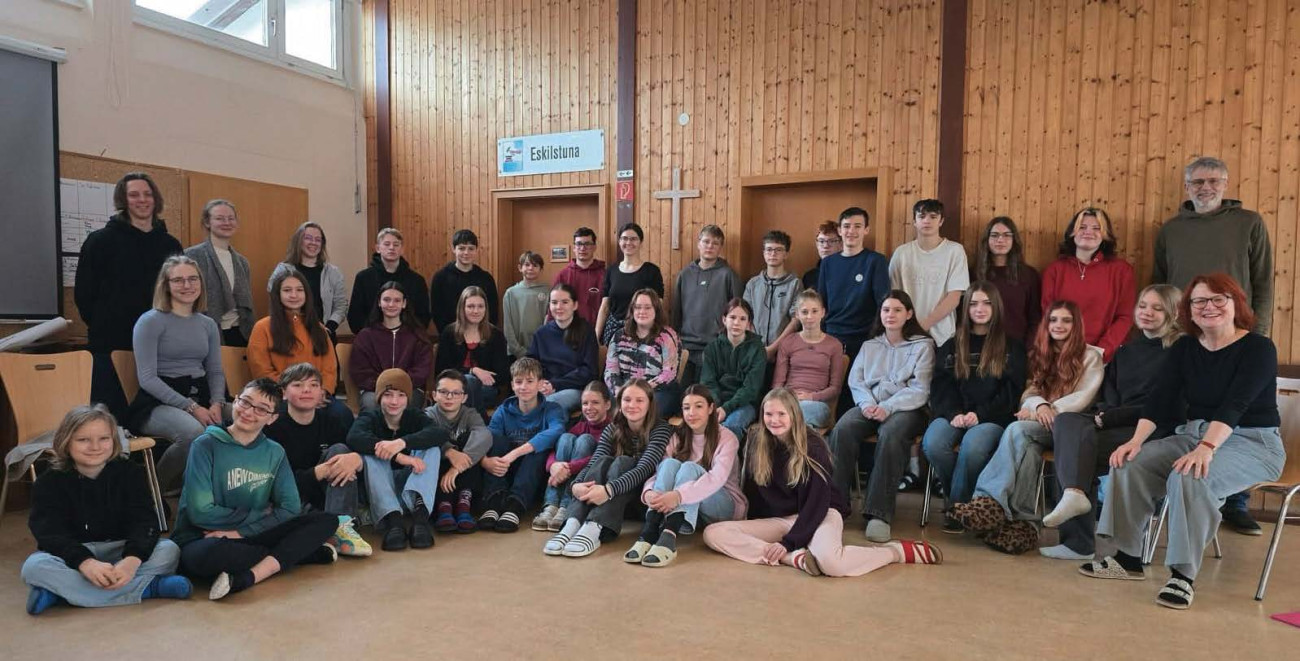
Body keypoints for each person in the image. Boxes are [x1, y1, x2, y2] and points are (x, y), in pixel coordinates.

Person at [1082, 273, 1283, 610]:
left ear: (1236, 304)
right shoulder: (1186, 347)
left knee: (1190, 474)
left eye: (1218, 299)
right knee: (1130, 462)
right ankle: (1127, 559)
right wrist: (1135, 441)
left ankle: (1182, 576)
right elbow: (1160, 399)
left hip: (1252, 442)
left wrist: (1206, 449)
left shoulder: (1258, 348)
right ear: (1188, 309)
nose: (1209, 307)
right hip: (1193, 434)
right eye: (1199, 301)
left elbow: (1237, 404)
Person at [1153, 156, 1275, 536]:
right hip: (1184, 338)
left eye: (1213, 181)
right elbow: (1160, 281)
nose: (1206, 188)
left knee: (1235, 406)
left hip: (1236, 335)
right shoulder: (1171, 230)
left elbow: (1263, 282)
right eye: (1198, 182)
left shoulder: (1249, 223)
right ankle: (1176, 493)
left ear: (1225, 184)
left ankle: (1234, 501)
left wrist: (1257, 334)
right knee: (1189, 410)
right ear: (1187, 187)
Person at [703, 389, 943, 577]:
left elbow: (817, 503)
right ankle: (792, 559)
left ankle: (894, 552)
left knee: (831, 564)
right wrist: (769, 537)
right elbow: (754, 492)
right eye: (769, 414)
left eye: (781, 414)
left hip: (820, 513)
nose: (774, 420)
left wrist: (788, 542)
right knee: (714, 533)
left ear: (794, 415)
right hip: (781, 521)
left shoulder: (813, 446)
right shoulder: (758, 442)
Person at [1037, 285, 1183, 560]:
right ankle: (1074, 496)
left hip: (1155, 431)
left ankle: (1077, 542)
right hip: (1116, 423)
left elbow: (1164, 404)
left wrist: (1108, 418)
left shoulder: (1180, 351)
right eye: (1143, 306)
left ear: (1173, 312)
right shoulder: (1127, 351)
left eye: (1157, 308)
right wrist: (1104, 415)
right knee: (1066, 423)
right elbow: (1110, 394)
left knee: (1078, 451)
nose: (1147, 312)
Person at [950, 300, 1105, 555]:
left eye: (1066, 320)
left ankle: (987, 501)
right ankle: (1023, 526)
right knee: (1027, 447)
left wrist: (1045, 410)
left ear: (1076, 325)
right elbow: (1029, 392)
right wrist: (1038, 405)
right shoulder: (1040, 353)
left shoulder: (1091, 356)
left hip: (1071, 430)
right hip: (1040, 427)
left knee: (1016, 430)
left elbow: (1083, 398)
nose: (1059, 325)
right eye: (1053, 320)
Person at [172, 378, 341, 601]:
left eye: (262, 409)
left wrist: (240, 533)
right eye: (245, 402)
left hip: (252, 534)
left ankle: (252, 575)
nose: (249, 412)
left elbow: (290, 508)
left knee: (327, 520)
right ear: (235, 401)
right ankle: (297, 553)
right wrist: (259, 515)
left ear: (272, 418)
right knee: (207, 556)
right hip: (204, 537)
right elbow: (200, 512)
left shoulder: (274, 451)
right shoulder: (205, 445)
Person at [22, 405, 191, 615]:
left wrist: (131, 561)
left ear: (114, 441)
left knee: (169, 550)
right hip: (75, 554)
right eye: (83, 440)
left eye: (104, 438)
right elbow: (49, 533)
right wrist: (85, 562)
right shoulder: (48, 482)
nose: (95, 447)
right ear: (66, 442)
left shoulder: (131, 473)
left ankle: (61, 593)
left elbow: (145, 522)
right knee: (33, 567)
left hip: (120, 549)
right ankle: (149, 588)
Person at [826, 290, 935, 542]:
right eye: (886, 310)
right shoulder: (870, 345)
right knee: (843, 429)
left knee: (890, 433)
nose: (890, 315)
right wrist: (867, 404)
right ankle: (834, 506)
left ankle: (879, 514)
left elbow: (921, 389)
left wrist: (889, 406)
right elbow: (856, 381)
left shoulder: (923, 346)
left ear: (909, 314)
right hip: (870, 405)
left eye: (897, 310)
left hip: (907, 409)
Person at [921, 283, 1028, 533]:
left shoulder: (1012, 347)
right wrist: (954, 413)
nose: (980, 309)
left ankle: (956, 510)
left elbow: (1011, 392)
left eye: (987, 303)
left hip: (992, 418)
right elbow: (941, 387)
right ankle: (965, 503)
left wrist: (980, 415)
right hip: (954, 415)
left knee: (972, 447)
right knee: (933, 443)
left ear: (996, 307)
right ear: (966, 309)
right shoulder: (951, 345)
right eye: (974, 304)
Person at [76, 172, 183, 417]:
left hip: (160, 347)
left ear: (155, 199)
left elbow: (177, 293)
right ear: (123, 200)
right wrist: (106, 323)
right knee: (110, 417)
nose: (142, 200)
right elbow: (84, 295)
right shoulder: (100, 241)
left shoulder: (170, 245)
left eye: (147, 194)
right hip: (111, 346)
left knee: (155, 416)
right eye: (134, 195)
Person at [128, 255, 228, 494]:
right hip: (158, 402)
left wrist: (217, 402)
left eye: (193, 279)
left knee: (252, 415)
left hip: (202, 395)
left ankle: (218, 488)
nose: (187, 285)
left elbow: (215, 370)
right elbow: (148, 378)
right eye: (178, 280)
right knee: (192, 432)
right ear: (166, 285)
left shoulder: (208, 324)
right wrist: (191, 408)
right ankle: (153, 489)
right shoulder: (150, 321)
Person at [543, 379, 673, 557]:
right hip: (607, 500)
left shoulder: (661, 429)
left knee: (623, 462)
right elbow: (594, 461)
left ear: (650, 403)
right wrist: (576, 485)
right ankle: (572, 523)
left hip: (641, 499)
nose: (632, 405)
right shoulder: (613, 428)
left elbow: (644, 469)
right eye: (627, 400)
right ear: (620, 403)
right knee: (603, 460)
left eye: (639, 400)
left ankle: (594, 528)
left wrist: (608, 490)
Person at [626, 385, 746, 567]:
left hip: (723, 505)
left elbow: (717, 479)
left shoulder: (727, 438)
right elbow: (660, 471)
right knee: (669, 463)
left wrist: (679, 495)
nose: (692, 413)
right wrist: (649, 492)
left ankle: (669, 536)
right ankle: (649, 531)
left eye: (699, 406)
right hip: (688, 510)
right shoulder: (678, 436)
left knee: (690, 468)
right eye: (686, 407)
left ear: (711, 408)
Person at [264, 363, 370, 557]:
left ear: (322, 393)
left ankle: (340, 525)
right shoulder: (273, 427)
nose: (307, 390)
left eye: (313, 385)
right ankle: (330, 525)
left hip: (327, 494)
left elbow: (353, 459)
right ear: (284, 393)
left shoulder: (331, 421)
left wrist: (356, 458)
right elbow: (275, 484)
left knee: (342, 451)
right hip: (291, 497)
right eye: (298, 385)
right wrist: (316, 473)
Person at [346, 368, 452, 552]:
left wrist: (401, 443)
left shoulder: (415, 416)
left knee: (432, 449)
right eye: (388, 395)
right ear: (379, 397)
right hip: (380, 493)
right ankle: (394, 522)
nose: (394, 401)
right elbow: (354, 438)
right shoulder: (370, 417)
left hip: (411, 488)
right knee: (373, 452)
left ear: (408, 398)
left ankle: (420, 520)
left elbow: (440, 433)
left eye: (401, 395)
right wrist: (398, 455)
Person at [248, 269, 352, 428]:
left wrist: (321, 391)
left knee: (342, 414)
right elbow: (261, 370)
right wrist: (293, 392)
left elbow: (330, 368)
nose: (294, 295)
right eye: (287, 290)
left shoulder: (318, 328)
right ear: (277, 295)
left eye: (299, 290)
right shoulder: (262, 328)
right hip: (280, 396)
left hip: (316, 395)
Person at [477, 358, 567, 532]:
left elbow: (556, 430)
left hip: (533, 475)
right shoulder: (503, 410)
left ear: (540, 384)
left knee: (538, 449)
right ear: (512, 385)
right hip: (504, 470)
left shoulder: (552, 409)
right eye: (518, 382)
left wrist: (515, 453)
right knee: (495, 438)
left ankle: (515, 506)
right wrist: (485, 461)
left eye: (530, 381)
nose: (523, 387)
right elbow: (486, 439)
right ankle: (494, 501)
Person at [1040, 207, 1136, 361]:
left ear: (1105, 234)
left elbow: (1125, 316)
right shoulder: (1054, 270)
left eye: (1096, 228)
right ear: (1072, 232)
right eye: (1082, 227)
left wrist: (1100, 350)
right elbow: (1048, 314)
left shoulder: (1122, 271)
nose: (1088, 232)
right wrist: (1066, 349)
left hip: (1106, 356)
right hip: (1062, 355)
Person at [889, 199, 969, 346]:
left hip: (943, 336)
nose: (927, 221)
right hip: (906, 333)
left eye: (933, 217)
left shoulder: (955, 251)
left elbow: (954, 297)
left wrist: (923, 326)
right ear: (914, 221)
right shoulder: (901, 253)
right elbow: (894, 296)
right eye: (921, 216)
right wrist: (908, 327)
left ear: (941, 221)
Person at [533, 381, 611, 531]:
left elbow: (599, 457)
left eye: (595, 403)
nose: (589, 408)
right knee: (565, 438)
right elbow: (555, 450)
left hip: (589, 479)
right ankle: (551, 506)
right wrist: (553, 466)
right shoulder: (580, 426)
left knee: (585, 439)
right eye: (585, 403)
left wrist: (568, 468)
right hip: (566, 471)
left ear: (607, 404)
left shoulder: (612, 429)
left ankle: (566, 507)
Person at [424, 370, 494, 533]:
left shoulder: (470, 414)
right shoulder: (428, 415)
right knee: (435, 443)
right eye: (444, 392)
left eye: (456, 393)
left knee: (470, 441)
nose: (449, 397)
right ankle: (444, 505)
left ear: (464, 397)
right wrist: (450, 452)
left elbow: (485, 435)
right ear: (434, 395)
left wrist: (457, 467)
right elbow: (425, 435)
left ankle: (464, 504)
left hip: (464, 478)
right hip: (438, 479)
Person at [818, 207, 891, 363]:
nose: (851, 231)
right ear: (839, 230)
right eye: (846, 226)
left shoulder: (876, 261)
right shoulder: (827, 263)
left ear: (866, 230)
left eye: (857, 226)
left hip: (866, 338)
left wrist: (876, 335)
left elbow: (883, 302)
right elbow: (822, 302)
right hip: (832, 335)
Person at [673, 224, 743, 385]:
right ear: (698, 244)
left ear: (720, 248)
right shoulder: (685, 274)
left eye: (715, 243)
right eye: (706, 241)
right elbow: (677, 312)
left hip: (715, 347)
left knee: (706, 394)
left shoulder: (728, 275)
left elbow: (737, 313)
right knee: (683, 393)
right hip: (686, 347)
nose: (710, 246)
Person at [349, 281, 435, 411]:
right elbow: (360, 371)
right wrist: (385, 387)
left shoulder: (418, 336)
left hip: (409, 389)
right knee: (371, 404)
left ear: (404, 303)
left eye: (397, 300)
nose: (391, 304)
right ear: (379, 302)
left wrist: (399, 385)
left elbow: (422, 369)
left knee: (407, 403)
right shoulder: (365, 336)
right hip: (374, 390)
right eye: (386, 300)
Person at [772, 290, 846, 429]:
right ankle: (800, 437)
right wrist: (789, 398)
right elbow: (778, 384)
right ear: (797, 314)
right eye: (804, 312)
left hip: (817, 404)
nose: (809, 316)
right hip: (788, 401)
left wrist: (811, 397)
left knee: (795, 414)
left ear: (823, 312)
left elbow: (835, 388)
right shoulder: (788, 342)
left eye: (814, 311)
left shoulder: (834, 345)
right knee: (774, 408)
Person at [603, 288, 684, 417]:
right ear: (632, 310)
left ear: (656, 310)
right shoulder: (618, 335)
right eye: (638, 307)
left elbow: (669, 373)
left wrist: (639, 391)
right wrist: (619, 391)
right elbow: (610, 370)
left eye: (647, 307)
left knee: (643, 411)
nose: (642, 312)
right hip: (624, 388)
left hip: (657, 390)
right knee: (603, 405)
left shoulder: (667, 336)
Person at [184, 199, 254, 347]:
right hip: (204, 332)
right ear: (207, 222)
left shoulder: (242, 262)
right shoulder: (192, 256)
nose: (226, 223)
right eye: (220, 218)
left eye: (231, 218)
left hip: (240, 332)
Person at [701, 298, 767, 443]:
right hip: (716, 401)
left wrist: (726, 408)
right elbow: (708, 383)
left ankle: (726, 457)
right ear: (724, 320)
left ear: (748, 323)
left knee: (731, 426)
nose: (737, 323)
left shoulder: (758, 350)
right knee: (700, 424)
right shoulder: (711, 349)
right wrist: (717, 405)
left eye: (742, 319)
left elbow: (751, 389)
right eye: (732, 317)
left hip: (745, 403)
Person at [435, 286, 509, 416]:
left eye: (480, 306)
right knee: (467, 382)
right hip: (452, 390)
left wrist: (478, 379)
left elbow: (503, 375)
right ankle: (478, 422)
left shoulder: (495, 335)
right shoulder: (449, 333)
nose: (476, 311)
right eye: (470, 306)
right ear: (462, 308)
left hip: (485, 390)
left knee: (471, 386)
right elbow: (441, 371)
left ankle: (462, 423)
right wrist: (473, 371)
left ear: (486, 309)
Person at [270, 221, 349, 342]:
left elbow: (341, 305)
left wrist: (328, 328)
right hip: (290, 336)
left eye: (318, 239)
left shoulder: (333, 272)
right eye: (308, 238)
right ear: (298, 241)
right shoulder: (283, 270)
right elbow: (275, 300)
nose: (313, 243)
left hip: (324, 336)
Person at [527, 283, 599, 414]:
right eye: (554, 302)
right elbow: (531, 365)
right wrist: (540, 383)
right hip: (544, 387)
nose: (559, 307)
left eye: (565, 302)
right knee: (515, 403)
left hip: (575, 388)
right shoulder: (541, 333)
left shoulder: (586, 331)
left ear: (575, 305)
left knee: (549, 405)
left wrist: (555, 384)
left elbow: (589, 371)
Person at [348, 228, 431, 334]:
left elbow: (423, 316)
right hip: (371, 338)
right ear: (378, 248)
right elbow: (355, 315)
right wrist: (370, 335)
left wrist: (407, 335)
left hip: (407, 338)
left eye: (396, 244)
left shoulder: (417, 281)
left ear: (402, 249)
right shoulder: (363, 278)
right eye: (387, 244)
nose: (391, 248)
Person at [972, 216, 1040, 342]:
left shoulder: (1029, 275)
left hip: (1018, 345)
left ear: (1014, 240)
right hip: (982, 345)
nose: (1000, 240)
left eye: (1006, 235)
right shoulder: (974, 274)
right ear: (987, 240)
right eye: (995, 235)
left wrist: (1030, 347)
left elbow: (1035, 317)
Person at [596, 223, 665, 345]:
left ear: (641, 242)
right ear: (619, 241)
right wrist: (596, 336)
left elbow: (658, 305)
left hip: (642, 331)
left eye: (633, 239)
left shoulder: (651, 271)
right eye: (624, 238)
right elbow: (605, 306)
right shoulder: (611, 271)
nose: (628, 242)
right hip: (613, 330)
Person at [744, 230, 801, 355]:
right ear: (764, 253)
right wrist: (758, 346)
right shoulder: (752, 284)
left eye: (778, 250)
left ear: (786, 254)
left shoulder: (795, 284)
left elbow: (796, 320)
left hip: (784, 351)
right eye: (769, 249)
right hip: (754, 350)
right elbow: (745, 317)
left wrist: (773, 348)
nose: (773, 254)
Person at [430, 229, 499, 331]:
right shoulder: (440, 278)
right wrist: (449, 334)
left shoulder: (486, 278)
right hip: (450, 335)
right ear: (453, 249)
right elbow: (437, 312)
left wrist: (482, 334)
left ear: (476, 250)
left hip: (481, 335)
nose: (466, 253)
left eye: (471, 248)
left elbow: (492, 312)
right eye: (462, 248)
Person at [552, 226, 606, 325]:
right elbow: (554, 307)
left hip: (597, 331)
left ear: (594, 247)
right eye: (579, 244)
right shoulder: (563, 275)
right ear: (574, 248)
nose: (582, 248)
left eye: (587, 244)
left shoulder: (604, 274)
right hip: (567, 330)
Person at [503, 251, 550, 360]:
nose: (531, 268)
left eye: (535, 265)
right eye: (527, 264)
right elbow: (508, 326)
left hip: (540, 351)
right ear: (520, 268)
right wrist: (518, 351)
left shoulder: (547, 291)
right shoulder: (511, 293)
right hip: (515, 353)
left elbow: (549, 323)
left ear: (541, 269)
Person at [802, 220, 842, 289]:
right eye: (821, 241)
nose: (826, 246)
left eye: (831, 241)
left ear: (841, 244)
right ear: (817, 244)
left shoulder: (849, 272)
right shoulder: (809, 277)